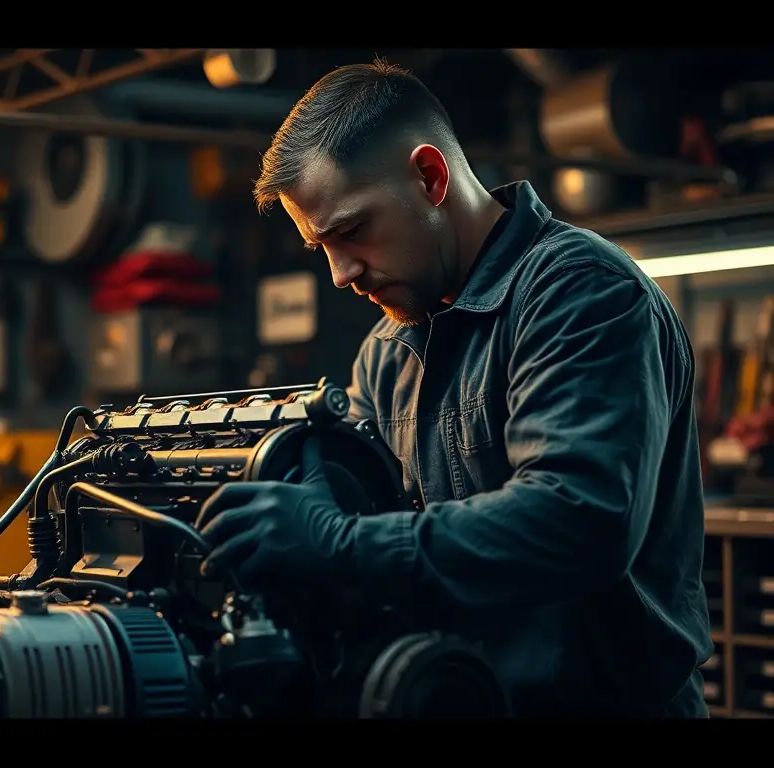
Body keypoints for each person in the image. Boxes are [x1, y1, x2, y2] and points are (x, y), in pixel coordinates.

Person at [195, 59, 713, 718]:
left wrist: (338, 544)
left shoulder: (578, 290)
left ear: (430, 176)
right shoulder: (385, 354)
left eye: (351, 230)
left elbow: (579, 518)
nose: (339, 273)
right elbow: (367, 528)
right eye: (319, 246)